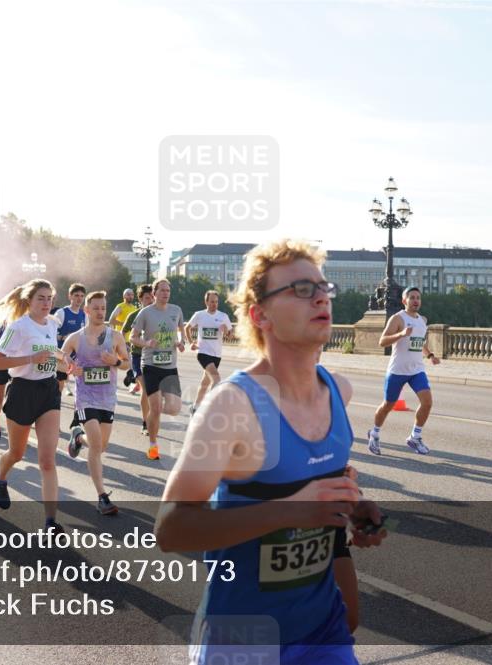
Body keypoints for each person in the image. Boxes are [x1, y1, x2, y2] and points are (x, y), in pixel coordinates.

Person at [154, 239, 383, 665]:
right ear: (261, 315)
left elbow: (313, 484)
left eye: (323, 287)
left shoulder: (339, 390)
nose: (321, 297)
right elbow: (170, 529)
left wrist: (353, 507)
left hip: (323, 630)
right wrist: (292, 511)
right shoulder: (232, 405)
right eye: (301, 289)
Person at [0, 279, 71, 533]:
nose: (46, 303)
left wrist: (65, 362)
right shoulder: (18, 327)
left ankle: (50, 522)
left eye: (49, 299)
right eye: (41, 298)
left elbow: (51, 355)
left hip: (48, 391)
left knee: (47, 460)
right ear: (29, 301)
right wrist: (30, 359)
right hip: (22, 391)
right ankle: (0, 477)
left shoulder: (52, 324)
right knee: (17, 453)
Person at [62, 290, 130, 515]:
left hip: (107, 398)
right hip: (85, 398)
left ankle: (77, 438)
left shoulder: (115, 336)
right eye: (96, 308)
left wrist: (115, 361)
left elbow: (127, 364)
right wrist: (71, 367)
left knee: (101, 446)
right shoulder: (76, 337)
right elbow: (60, 358)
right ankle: (102, 497)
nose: (101, 312)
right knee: (96, 444)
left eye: (103, 308)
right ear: (87, 310)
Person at [366, 286, 441, 455]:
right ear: (404, 301)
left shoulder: (422, 320)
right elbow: (382, 341)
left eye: (418, 298)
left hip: (416, 370)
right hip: (397, 370)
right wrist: (400, 334)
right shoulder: (397, 318)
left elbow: (419, 342)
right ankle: (374, 433)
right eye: (412, 297)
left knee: (427, 402)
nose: (416, 301)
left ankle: (415, 437)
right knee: (388, 405)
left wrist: (430, 355)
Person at [130, 278, 186, 461]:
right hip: (151, 365)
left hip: (170, 366)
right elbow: (133, 337)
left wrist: (181, 342)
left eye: (168, 290)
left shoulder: (176, 310)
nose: (165, 293)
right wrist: (146, 343)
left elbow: (182, 330)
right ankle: (153, 446)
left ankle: (153, 413)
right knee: (155, 407)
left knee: (175, 408)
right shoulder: (146, 313)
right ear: (154, 293)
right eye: (162, 290)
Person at [186, 290, 233, 415]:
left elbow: (230, 336)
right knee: (216, 379)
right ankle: (208, 409)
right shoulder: (199, 315)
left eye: (216, 302)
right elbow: (187, 328)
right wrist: (191, 342)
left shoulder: (223, 316)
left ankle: (195, 407)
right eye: (212, 302)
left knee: (205, 383)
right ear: (206, 302)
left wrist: (226, 331)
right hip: (203, 353)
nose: (214, 304)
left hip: (217, 355)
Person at [122, 285, 153, 425]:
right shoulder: (134, 315)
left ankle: (152, 418)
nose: (150, 300)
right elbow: (123, 332)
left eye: (152, 297)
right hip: (137, 356)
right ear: (140, 299)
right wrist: (124, 347)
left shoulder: (158, 315)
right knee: (145, 388)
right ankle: (146, 422)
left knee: (153, 391)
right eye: (147, 298)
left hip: (153, 357)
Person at [54, 283, 86, 397]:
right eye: (76, 295)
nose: (79, 298)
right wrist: (65, 337)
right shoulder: (62, 313)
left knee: (82, 382)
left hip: (76, 355)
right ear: (70, 296)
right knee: (58, 385)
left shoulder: (84, 315)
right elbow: (50, 335)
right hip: (61, 355)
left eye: (82, 296)